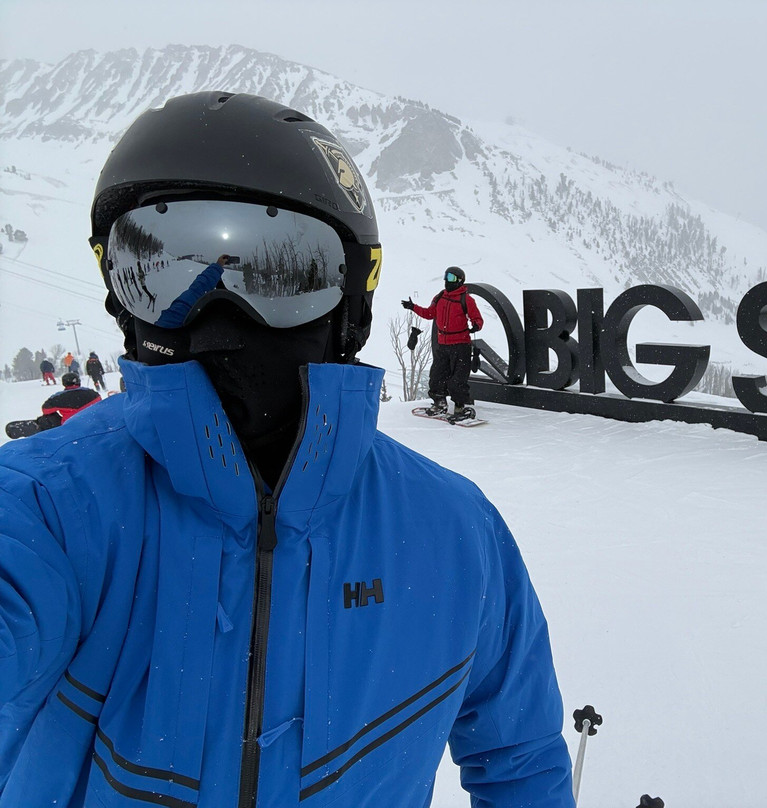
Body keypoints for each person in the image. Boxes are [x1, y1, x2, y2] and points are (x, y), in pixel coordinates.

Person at [0, 91, 572, 808]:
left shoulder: (458, 534)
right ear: (119, 296)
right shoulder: (48, 509)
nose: (214, 317)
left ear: (347, 308)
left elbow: (520, 758)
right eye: (161, 270)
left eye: (280, 272)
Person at [401, 266, 484, 421]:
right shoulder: (440, 297)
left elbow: (477, 318)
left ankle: (460, 406)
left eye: (451, 278)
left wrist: (476, 325)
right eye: (446, 276)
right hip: (443, 344)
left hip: (461, 345)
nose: (447, 281)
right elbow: (429, 314)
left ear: (460, 281)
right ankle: (439, 402)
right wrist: (413, 307)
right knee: (437, 376)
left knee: (458, 379)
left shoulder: (466, 299)